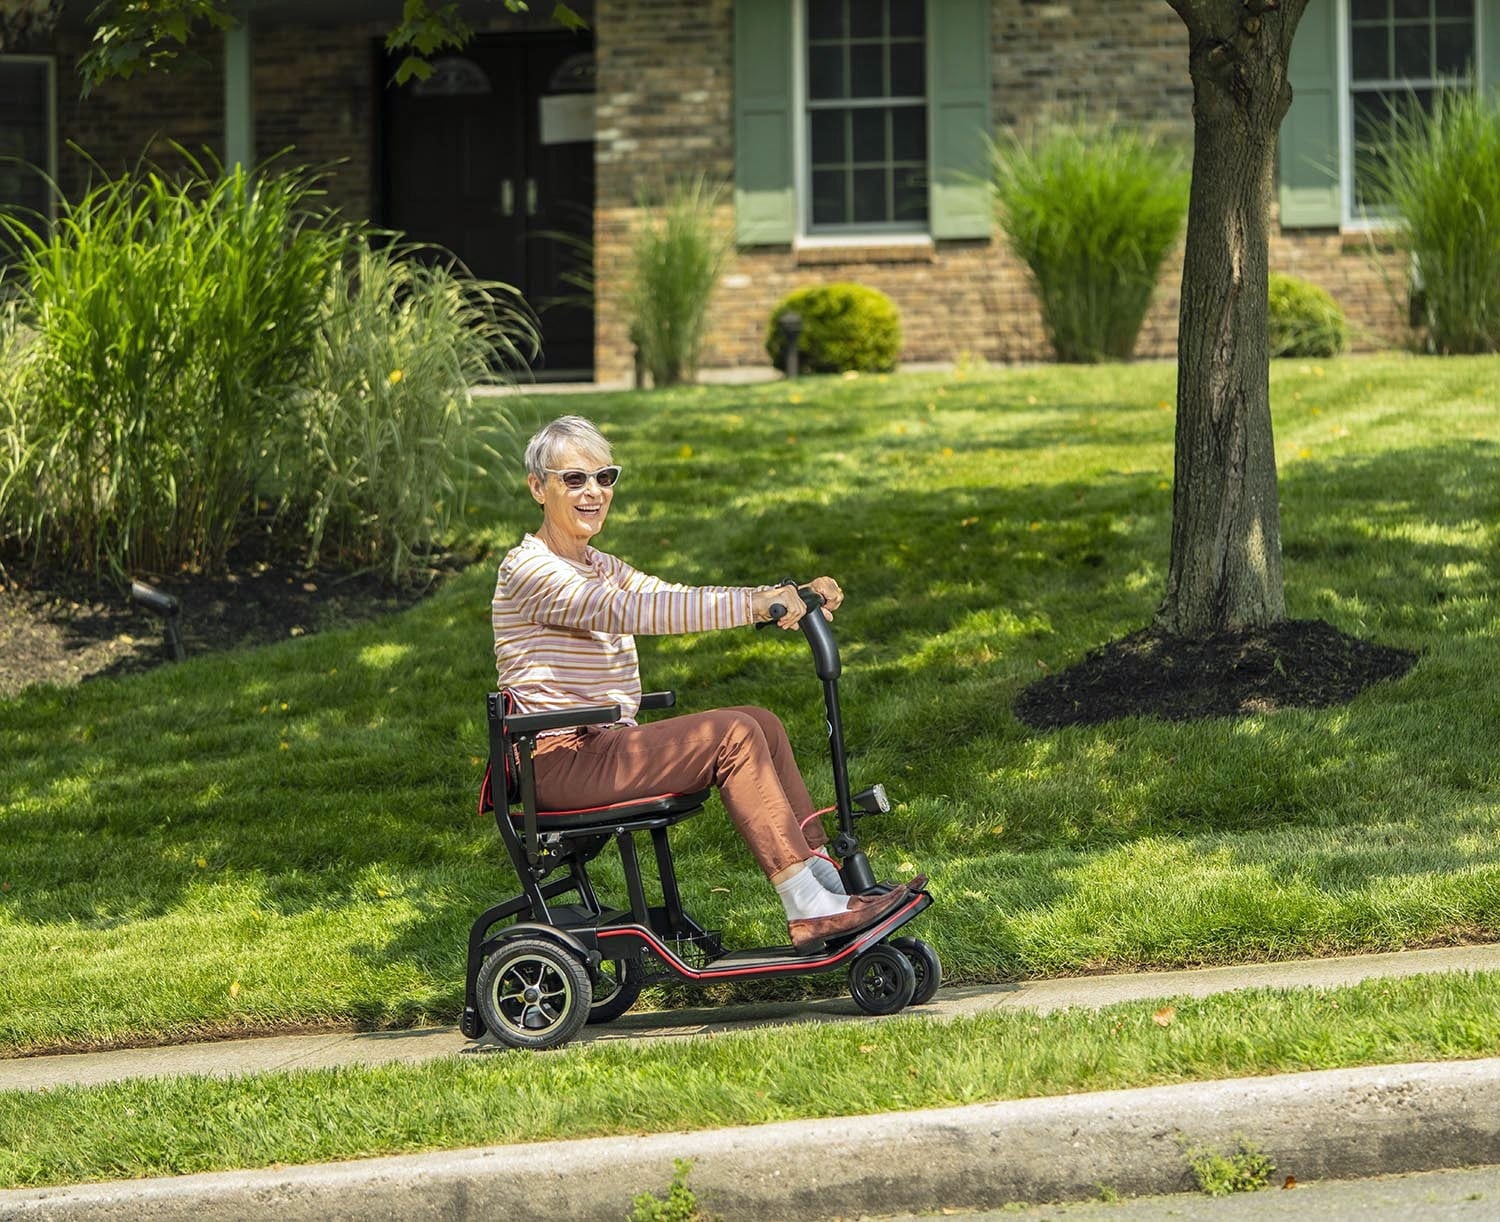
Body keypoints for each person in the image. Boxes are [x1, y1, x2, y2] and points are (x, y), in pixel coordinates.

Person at [491, 415, 912, 951]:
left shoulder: (597, 564)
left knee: (761, 721)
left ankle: (825, 879)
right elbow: (633, 610)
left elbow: (671, 593)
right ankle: (805, 903)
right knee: (732, 732)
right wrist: (756, 604)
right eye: (574, 479)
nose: (594, 492)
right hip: (556, 759)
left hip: (602, 745)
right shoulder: (529, 570)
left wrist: (780, 594)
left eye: (605, 477)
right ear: (537, 487)